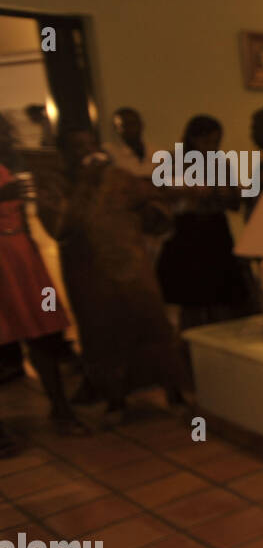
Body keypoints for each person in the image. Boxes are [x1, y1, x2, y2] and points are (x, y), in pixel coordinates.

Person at [49, 128, 189, 421]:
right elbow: (60, 228)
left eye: (91, 145)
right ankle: (115, 400)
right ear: (64, 153)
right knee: (103, 335)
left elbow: (155, 205)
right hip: (89, 275)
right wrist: (84, 187)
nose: (86, 153)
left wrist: (155, 212)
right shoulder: (55, 184)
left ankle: (173, 392)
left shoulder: (118, 177)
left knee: (154, 328)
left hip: (133, 268)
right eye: (78, 147)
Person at [0, 115, 86, 434]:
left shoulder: (6, 167)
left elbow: (22, 215)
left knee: (44, 331)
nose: (8, 138)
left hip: (23, 260)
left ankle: (61, 408)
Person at [155, 115, 248, 329]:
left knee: (222, 291)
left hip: (214, 227)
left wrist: (227, 192)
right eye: (207, 142)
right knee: (190, 293)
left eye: (215, 142)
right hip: (187, 229)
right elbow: (159, 194)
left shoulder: (221, 163)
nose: (211, 147)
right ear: (193, 139)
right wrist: (184, 191)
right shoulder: (172, 161)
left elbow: (235, 201)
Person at [104, 107, 159, 179]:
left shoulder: (156, 152)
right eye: (124, 125)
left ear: (141, 125)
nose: (130, 129)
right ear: (116, 129)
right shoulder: (109, 152)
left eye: (133, 123)